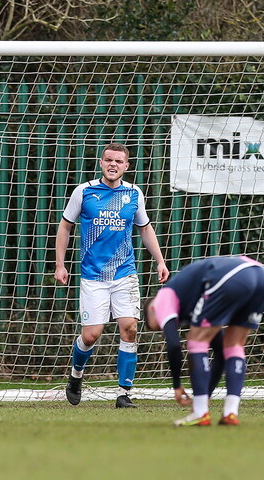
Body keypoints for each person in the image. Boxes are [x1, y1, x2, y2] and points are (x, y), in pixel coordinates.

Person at [54, 143, 169, 408]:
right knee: (91, 335)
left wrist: (160, 261)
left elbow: (145, 228)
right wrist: (60, 265)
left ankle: (123, 394)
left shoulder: (134, 194)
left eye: (118, 161)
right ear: (101, 163)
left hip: (124, 274)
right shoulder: (84, 192)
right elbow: (65, 227)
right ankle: (76, 376)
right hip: (93, 276)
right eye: (108, 160)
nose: (113, 165)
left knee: (129, 328)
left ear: (126, 166)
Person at [144, 255, 264, 427]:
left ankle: (199, 413)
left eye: (159, 325)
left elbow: (174, 344)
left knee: (196, 341)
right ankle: (230, 413)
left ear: (153, 309)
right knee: (233, 346)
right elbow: (219, 354)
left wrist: (176, 385)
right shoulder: (192, 303)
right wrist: (206, 394)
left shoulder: (162, 298)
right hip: (262, 277)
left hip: (232, 276)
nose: (165, 327)